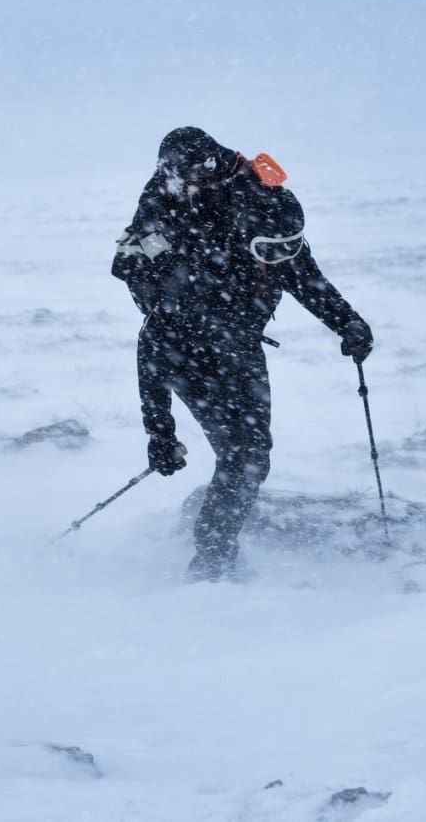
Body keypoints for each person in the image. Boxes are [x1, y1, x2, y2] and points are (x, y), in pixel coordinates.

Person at [112, 127, 373, 581]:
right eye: (267, 254)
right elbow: (150, 349)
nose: (279, 260)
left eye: (284, 251)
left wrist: (346, 322)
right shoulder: (171, 227)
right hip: (188, 352)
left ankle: (216, 549)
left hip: (240, 348)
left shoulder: (267, 212)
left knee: (252, 454)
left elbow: (303, 276)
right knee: (241, 453)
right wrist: (160, 433)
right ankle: (211, 560)